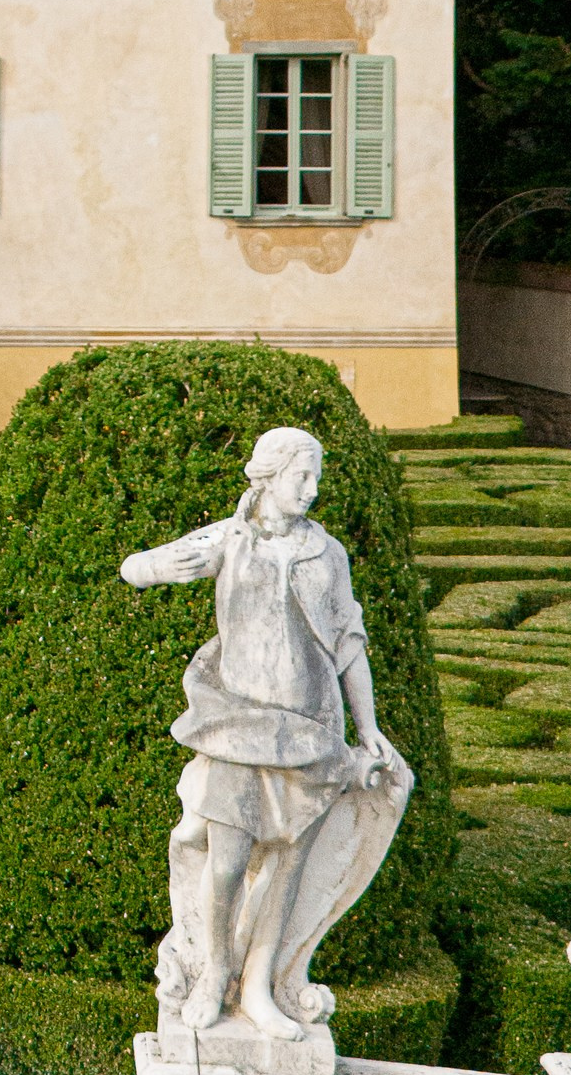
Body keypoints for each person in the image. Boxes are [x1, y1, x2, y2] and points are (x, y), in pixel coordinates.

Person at [120, 422, 412, 1043]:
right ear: (267, 476)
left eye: (315, 478)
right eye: (300, 477)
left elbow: (348, 642)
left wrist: (368, 728)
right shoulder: (230, 539)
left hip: (310, 728)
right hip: (237, 725)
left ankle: (257, 986)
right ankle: (214, 972)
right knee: (225, 865)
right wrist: (157, 567)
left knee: (286, 865)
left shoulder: (326, 553)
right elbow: (134, 568)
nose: (310, 489)